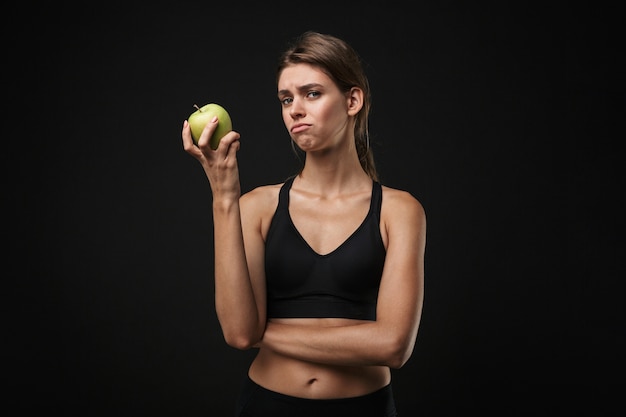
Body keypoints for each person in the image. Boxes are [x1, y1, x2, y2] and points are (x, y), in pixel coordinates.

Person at [181, 30, 426, 417]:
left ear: (352, 100)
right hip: (266, 405)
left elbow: (393, 346)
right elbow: (239, 330)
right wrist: (224, 196)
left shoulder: (400, 211)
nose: (295, 109)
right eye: (286, 99)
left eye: (312, 93)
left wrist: (266, 335)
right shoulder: (256, 206)